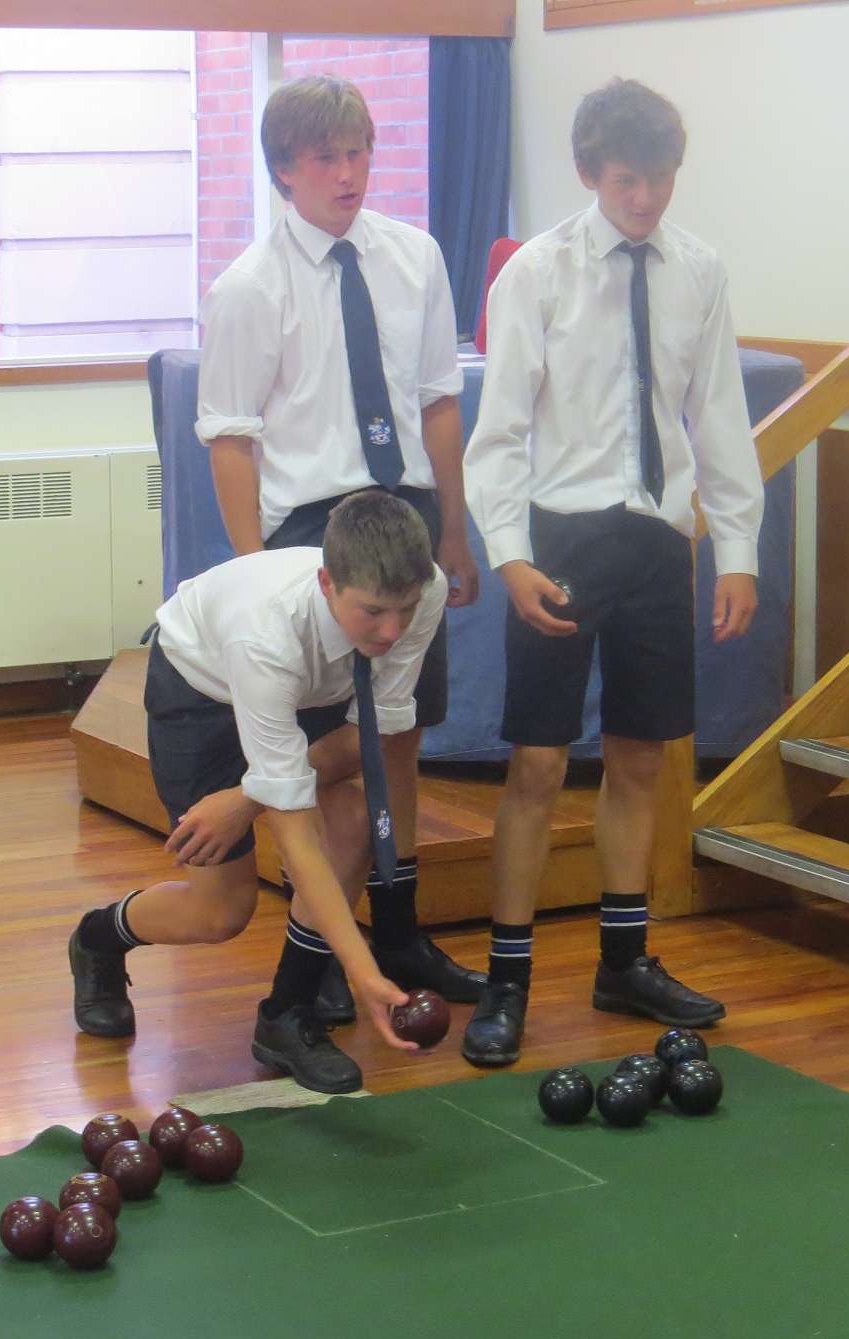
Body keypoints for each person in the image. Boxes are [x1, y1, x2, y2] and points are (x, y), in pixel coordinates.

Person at [461, 78, 765, 1068]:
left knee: (640, 759)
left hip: (656, 542)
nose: (645, 199)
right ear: (591, 173)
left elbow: (718, 415)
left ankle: (623, 962)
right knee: (539, 766)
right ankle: (507, 980)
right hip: (558, 539)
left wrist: (736, 550)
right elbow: (499, 430)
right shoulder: (538, 273)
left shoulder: (699, 270)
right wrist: (509, 554)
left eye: (661, 179)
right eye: (628, 181)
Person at [195, 74, 485, 1023]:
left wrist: (453, 529)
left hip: (405, 510)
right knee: (331, 751)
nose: (349, 174)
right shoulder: (250, 286)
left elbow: (438, 401)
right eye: (327, 158)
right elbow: (230, 438)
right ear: (284, 170)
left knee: (400, 732)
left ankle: (398, 927)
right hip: (309, 529)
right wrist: (257, 568)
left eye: (360, 153)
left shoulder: (414, 257)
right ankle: (319, 950)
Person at [68, 491, 440, 1094]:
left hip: (310, 692)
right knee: (221, 912)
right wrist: (365, 972)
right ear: (327, 583)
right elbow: (295, 837)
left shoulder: (425, 591)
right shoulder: (265, 635)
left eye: (405, 609)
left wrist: (245, 799)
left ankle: (287, 1014)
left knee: (349, 820)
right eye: (373, 612)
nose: (393, 631)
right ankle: (98, 936)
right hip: (202, 694)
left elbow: (372, 737)